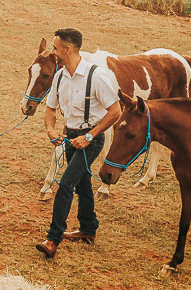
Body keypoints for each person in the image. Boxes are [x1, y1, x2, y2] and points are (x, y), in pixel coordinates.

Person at [36, 28, 121, 258]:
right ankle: (88, 228)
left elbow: (115, 111)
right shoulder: (61, 76)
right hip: (70, 137)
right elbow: (50, 108)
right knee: (82, 183)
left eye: (55, 48)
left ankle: (53, 239)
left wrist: (90, 136)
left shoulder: (96, 76)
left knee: (65, 185)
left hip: (91, 140)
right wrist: (51, 129)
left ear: (68, 49)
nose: (53, 52)